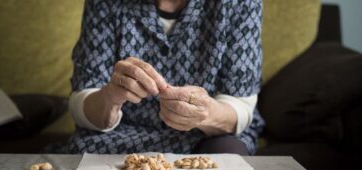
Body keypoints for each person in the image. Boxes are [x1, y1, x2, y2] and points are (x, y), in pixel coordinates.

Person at [67, 0, 264, 155]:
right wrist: (110, 97)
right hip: (120, 136)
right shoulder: (105, 3)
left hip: (207, 137)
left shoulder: (240, 2)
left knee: (228, 161)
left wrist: (205, 112)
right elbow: (81, 100)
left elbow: (240, 105)